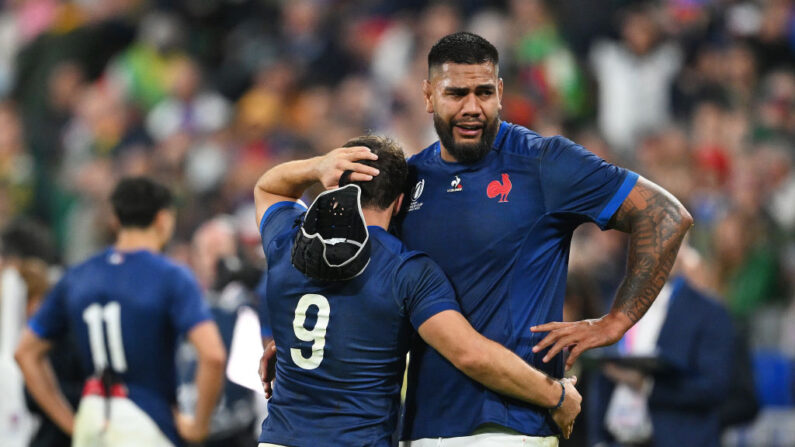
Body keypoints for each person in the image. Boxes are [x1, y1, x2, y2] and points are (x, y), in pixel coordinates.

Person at [392, 31, 693, 446]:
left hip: (512, 427)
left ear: (500, 91)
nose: (472, 107)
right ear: (428, 96)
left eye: (483, 92)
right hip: (422, 426)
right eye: (455, 94)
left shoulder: (542, 162)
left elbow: (665, 215)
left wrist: (616, 322)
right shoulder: (410, 180)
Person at [253, 135, 581, 447]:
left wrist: (317, 166)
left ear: (337, 185)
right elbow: (470, 354)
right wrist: (557, 396)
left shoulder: (288, 241)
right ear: (399, 203)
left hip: (278, 437)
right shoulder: (404, 269)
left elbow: (268, 188)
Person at [14, 177, 227, 447]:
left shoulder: (78, 275)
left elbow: (25, 352)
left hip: (93, 419)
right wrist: (199, 426)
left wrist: (70, 423)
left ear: (114, 219)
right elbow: (213, 355)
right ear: (163, 219)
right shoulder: (171, 276)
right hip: (148, 420)